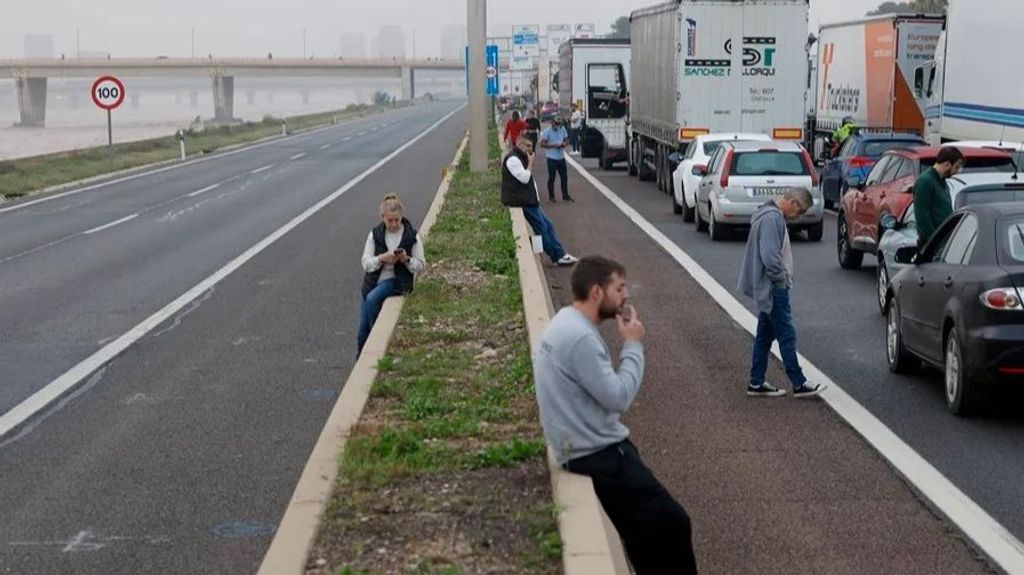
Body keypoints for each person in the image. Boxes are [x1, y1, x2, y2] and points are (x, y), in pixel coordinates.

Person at [533, 256, 698, 575]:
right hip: (599, 454)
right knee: (674, 523)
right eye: (619, 288)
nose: (625, 295)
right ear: (597, 292)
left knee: (641, 534)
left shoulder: (565, 323)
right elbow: (618, 397)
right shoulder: (580, 337)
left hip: (576, 449)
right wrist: (633, 346)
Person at [737, 188, 825, 399]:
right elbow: (770, 256)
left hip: (768, 286)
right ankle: (799, 382)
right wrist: (781, 279)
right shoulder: (772, 219)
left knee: (765, 337)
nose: (799, 216)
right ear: (792, 202)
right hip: (773, 287)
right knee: (786, 334)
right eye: (800, 210)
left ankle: (756, 382)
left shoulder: (766, 215)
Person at [357, 193, 426, 356]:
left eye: (397, 220)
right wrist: (382, 258)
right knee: (362, 327)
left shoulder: (412, 236)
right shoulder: (374, 235)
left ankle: (377, 339)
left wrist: (406, 260)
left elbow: (421, 265)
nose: (394, 224)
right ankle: (361, 355)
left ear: (401, 217)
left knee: (373, 299)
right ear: (382, 218)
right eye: (390, 221)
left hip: (396, 280)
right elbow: (365, 263)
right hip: (373, 280)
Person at [501, 133, 579, 267]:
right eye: (528, 146)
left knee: (548, 225)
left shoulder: (521, 157)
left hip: (530, 200)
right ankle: (557, 256)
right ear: (519, 144)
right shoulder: (513, 160)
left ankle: (559, 253)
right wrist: (531, 163)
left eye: (532, 146)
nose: (531, 149)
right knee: (541, 229)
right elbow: (525, 178)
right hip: (522, 202)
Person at [914, 146, 965, 249]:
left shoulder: (942, 182)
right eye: (956, 167)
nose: (957, 172)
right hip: (932, 246)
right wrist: (934, 241)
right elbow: (922, 216)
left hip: (945, 242)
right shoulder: (925, 181)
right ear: (947, 164)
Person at [540, 116, 573, 203]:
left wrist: (564, 144)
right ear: (552, 123)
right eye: (556, 124)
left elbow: (567, 139)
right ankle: (551, 196)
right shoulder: (547, 131)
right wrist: (553, 146)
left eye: (559, 124)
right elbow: (542, 144)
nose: (557, 126)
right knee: (552, 177)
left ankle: (565, 195)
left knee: (564, 177)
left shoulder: (562, 129)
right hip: (551, 158)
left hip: (561, 157)